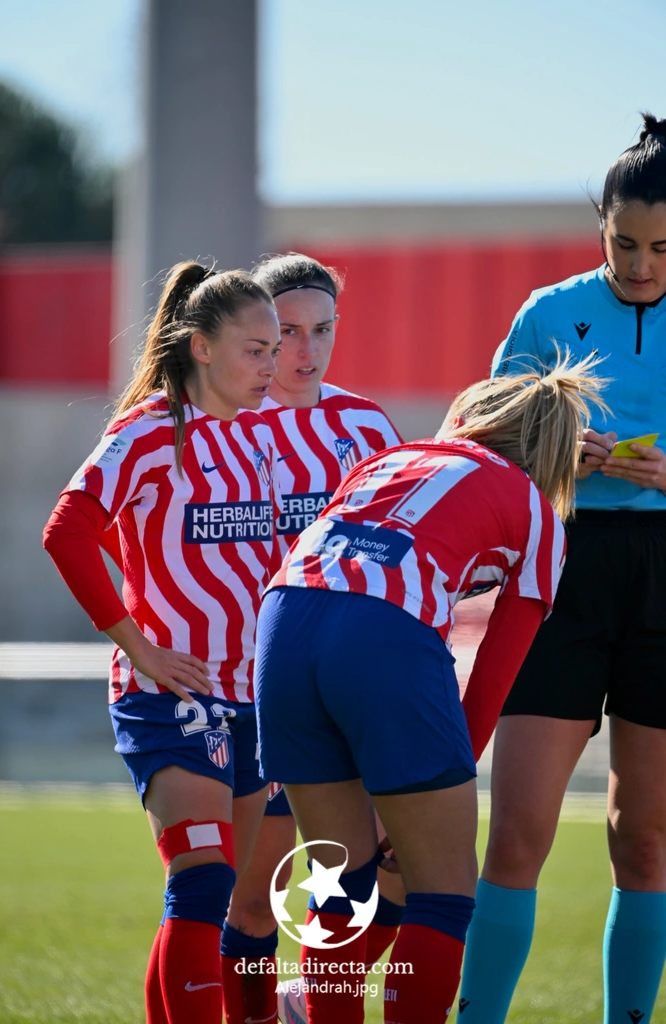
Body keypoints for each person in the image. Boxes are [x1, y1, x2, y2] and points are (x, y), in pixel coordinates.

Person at [253, 354, 606, 1023]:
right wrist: (435, 782)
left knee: (339, 884)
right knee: (442, 893)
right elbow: (495, 676)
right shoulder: (536, 511)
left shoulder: (392, 456)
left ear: (469, 421)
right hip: (379, 631)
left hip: (282, 620)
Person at [458, 113, 666, 1024]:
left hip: (664, 582)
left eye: (662, 249)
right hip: (560, 572)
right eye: (623, 243)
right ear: (600, 227)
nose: (640, 265)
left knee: (645, 841)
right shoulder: (546, 313)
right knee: (515, 837)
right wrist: (550, 449)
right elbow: (477, 441)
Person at [42, 262, 282, 1024]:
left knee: (235, 899)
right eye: (255, 349)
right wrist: (137, 645)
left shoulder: (258, 435)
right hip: (169, 695)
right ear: (203, 348)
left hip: (255, 700)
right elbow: (68, 531)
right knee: (203, 879)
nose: (271, 365)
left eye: (274, 349)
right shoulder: (149, 430)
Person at [219, 253, 404, 1024]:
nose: (305, 350)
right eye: (287, 331)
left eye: (320, 330)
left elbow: (400, 545)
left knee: (385, 875)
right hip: (254, 684)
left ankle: (311, 998)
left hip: (352, 683)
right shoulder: (223, 424)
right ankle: (259, 1013)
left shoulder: (366, 426)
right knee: (258, 894)